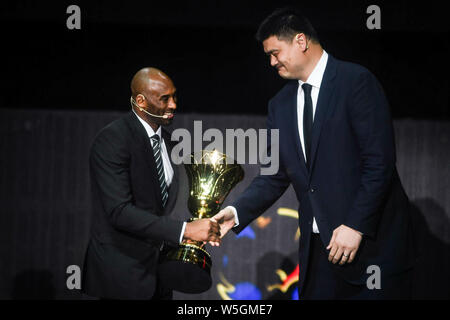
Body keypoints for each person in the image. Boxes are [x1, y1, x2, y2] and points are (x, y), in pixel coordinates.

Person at [212, 7, 416, 299]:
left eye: (275, 52)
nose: (271, 62)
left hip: (372, 251)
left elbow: (379, 162)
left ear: (300, 41)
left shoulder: (355, 81)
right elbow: (273, 175)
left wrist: (355, 225)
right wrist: (235, 213)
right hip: (319, 254)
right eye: (268, 55)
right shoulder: (279, 105)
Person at [82, 67, 221, 300]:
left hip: (159, 276)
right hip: (121, 276)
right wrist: (184, 231)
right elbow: (119, 212)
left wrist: (192, 231)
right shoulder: (113, 139)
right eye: (164, 98)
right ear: (141, 101)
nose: (173, 105)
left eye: (174, 96)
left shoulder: (168, 142)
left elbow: (155, 210)